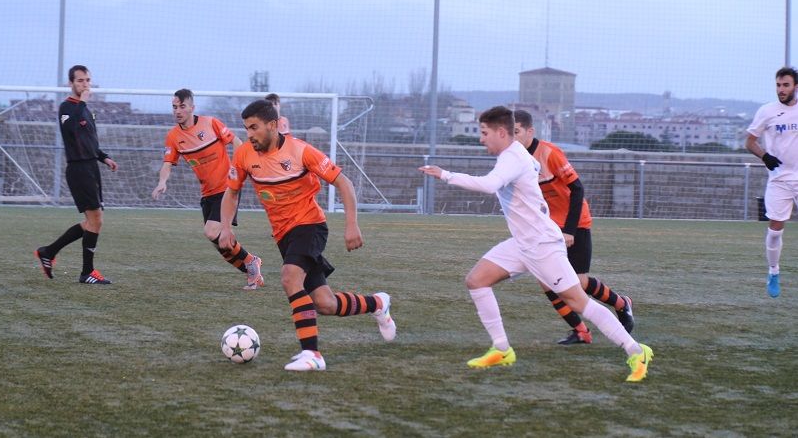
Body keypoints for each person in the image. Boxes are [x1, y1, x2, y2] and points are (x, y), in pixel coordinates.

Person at [419, 106, 653, 382]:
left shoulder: (512, 157)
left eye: (484, 133)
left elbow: (489, 185)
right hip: (522, 243)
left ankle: (636, 351)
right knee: (477, 280)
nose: (481, 139)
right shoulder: (516, 155)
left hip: (542, 244)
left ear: (501, 132)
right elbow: (527, 173)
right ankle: (502, 349)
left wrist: (445, 174)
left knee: (578, 301)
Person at [219, 99, 395, 371]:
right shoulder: (243, 155)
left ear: (272, 125)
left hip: (310, 225)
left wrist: (351, 224)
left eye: (254, 128)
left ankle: (312, 354)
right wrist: (225, 227)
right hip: (283, 235)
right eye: (246, 128)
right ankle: (377, 303)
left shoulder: (301, 151)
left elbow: (344, 182)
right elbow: (232, 192)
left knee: (289, 277)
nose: (249, 134)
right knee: (325, 303)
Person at [513, 109, 634, 344]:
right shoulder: (514, 159)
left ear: (530, 131)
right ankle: (580, 331)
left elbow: (577, 189)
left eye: (516, 132)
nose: (512, 137)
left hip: (575, 223)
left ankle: (622, 303)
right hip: (548, 227)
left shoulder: (549, 153)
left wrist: (569, 229)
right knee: (547, 281)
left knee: (577, 283)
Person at [152, 89, 264, 290]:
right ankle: (251, 270)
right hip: (208, 193)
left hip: (227, 188)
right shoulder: (173, 136)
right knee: (220, 243)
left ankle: (251, 261)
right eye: (174, 107)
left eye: (182, 106)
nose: (177, 111)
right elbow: (167, 164)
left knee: (212, 231)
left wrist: (240, 167)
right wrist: (162, 182)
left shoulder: (211, 123)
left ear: (192, 108)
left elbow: (237, 142)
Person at [34, 65, 118, 284]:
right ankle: (86, 272)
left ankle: (48, 252)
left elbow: (89, 141)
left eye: (87, 80)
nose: (85, 84)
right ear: (71, 83)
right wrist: (82, 102)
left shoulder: (86, 110)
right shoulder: (67, 107)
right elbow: (70, 128)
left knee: (93, 221)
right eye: (80, 80)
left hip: (91, 167)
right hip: (78, 169)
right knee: (96, 220)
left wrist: (104, 157)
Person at [745, 66, 798, 298]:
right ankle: (773, 271)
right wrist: (764, 156)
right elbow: (750, 142)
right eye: (778, 85)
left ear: (795, 86)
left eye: (786, 85)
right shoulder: (767, 111)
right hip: (779, 181)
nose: (781, 89)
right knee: (775, 231)